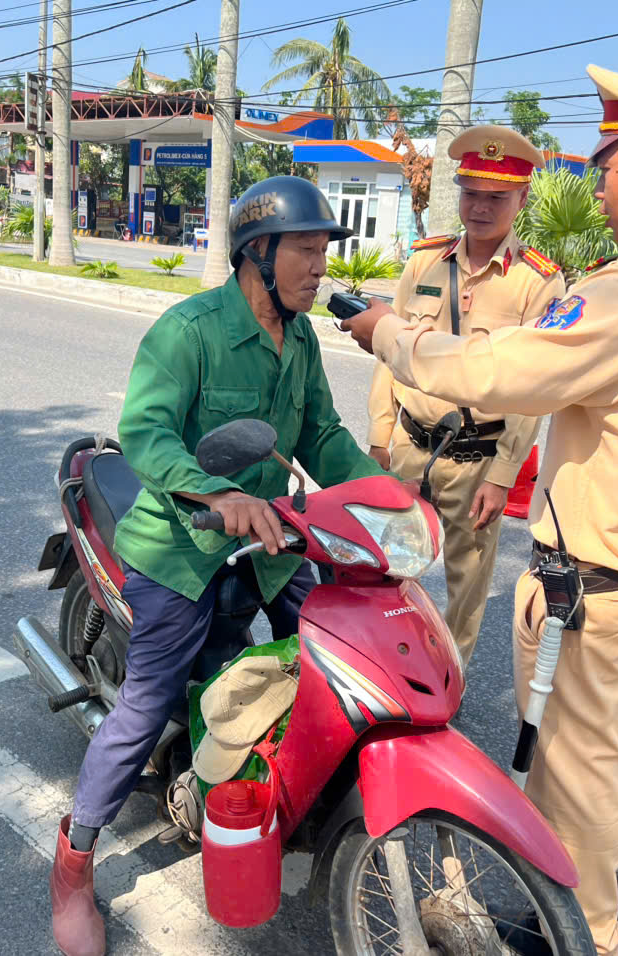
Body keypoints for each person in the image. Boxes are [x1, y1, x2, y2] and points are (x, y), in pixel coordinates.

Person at [342, 65, 618, 956]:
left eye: (608, 166)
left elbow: (492, 375)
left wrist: (386, 335)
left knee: (581, 764)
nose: (597, 186)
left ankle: (582, 931)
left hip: (599, 584)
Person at [49, 175, 386, 956]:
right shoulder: (190, 330)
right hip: (184, 545)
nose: (319, 268)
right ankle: (73, 863)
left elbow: (325, 437)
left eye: (323, 251)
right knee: (147, 701)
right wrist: (218, 490)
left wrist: (389, 498)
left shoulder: (297, 338)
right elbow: (148, 432)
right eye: (306, 250)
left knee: (336, 650)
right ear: (257, 253)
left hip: (269, 542)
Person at [367, 125, 565, 665]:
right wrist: (379, 436)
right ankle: (382, 669)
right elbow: (393, 351)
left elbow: (533, 390)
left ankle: (445, 685)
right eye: (471, 193)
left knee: (466, 588)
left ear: (521, 198)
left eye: (496, 197)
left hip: (478, 460)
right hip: (409, 445)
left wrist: (503, 476)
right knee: (383, 566)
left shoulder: (538, 282)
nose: (480, 208)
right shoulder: (424, 262)